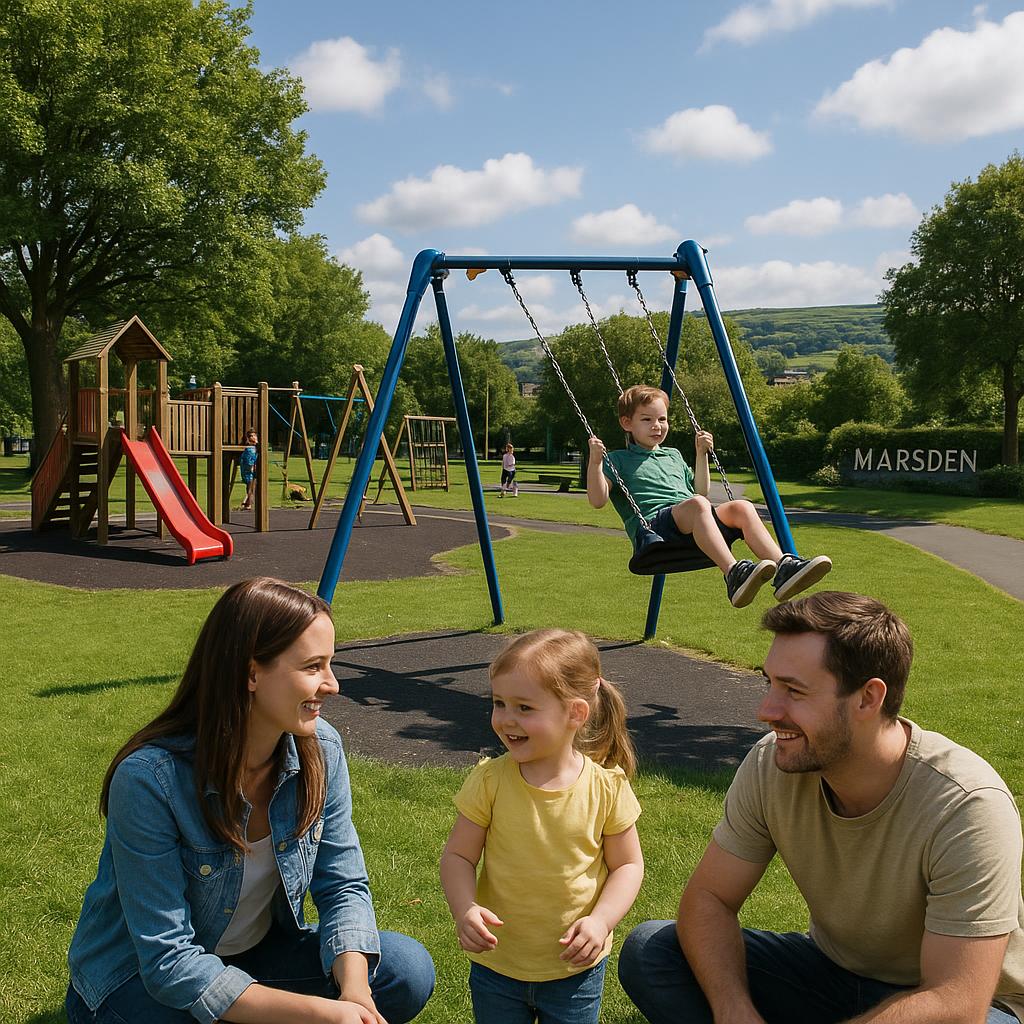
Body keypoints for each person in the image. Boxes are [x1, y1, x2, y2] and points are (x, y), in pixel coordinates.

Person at [618, 591, 1024, 1024]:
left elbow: (955, 1001)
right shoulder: (771, 764)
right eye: (769, 683)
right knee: (653, 949)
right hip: (833, 974)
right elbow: (709, 899)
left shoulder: (966, 805)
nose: (766, 711)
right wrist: (732, 1010)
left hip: (972, 1007)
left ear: (868, 698)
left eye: (793, 690)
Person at [65, 577, 435, 1024]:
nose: (333, 685)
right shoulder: (150, 780)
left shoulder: (322, 749)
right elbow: (169, 962)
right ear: (251, 672)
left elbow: (343, 886)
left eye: (330, 664)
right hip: (137, 981)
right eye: (313, 666)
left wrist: (354, 994)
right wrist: (321, 1014)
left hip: (256, 957)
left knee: (404, 970)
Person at [440, 629, 644, 1023]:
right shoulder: (489, 781)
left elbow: (628, 866)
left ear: (575, 713)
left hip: (574, 969)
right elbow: (457, 856)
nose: (506, 720)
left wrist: (601, 921)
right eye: (499, 703)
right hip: (497, 963)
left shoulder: (606, 788)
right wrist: (464, 908)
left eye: (524, 708)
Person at [588, 384, 832, 607]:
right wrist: (596, 462)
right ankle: (733, 573)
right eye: (647, 419)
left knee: (741, 507)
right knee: (698, 505)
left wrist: (701, 453)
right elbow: (597, 500)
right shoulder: (617, 459)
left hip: (690, 517)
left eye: (662, 419)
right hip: (655, 528)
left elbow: (700, 491)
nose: (657, 425)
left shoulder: (673, 454)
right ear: (627, 423)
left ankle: (784, 567)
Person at [239, 429, 259, 511]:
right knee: (249, 483)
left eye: (254, 435)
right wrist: (251, 466)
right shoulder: (249, 448)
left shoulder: (255, 446)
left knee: (252, 484)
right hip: (249, 468)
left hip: (253, 466)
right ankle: (248, 502)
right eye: (251, 436)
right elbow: (248, 459)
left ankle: (248, 501)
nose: (253, 437)